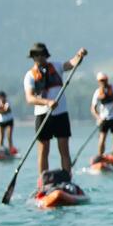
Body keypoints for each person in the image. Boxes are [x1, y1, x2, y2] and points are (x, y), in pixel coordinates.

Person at [22, 42, 87, 179]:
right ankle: (43, 181)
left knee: (64, 149)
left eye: (42, 55)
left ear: (46, 55)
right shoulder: (30, 76)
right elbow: (29, 98)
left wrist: (79, 55)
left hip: (61, 114)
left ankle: (67, 178)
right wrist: (47, 102)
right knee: (43, 150)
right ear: (33, 57)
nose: (40, 58)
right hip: (42, 115)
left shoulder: (57, 66)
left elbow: (72, 63)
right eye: (37, 56)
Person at [89, 72, 113, 166]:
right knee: (102, 138)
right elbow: (93, 108)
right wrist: (98, 118)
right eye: (101, 80)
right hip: (104, 118)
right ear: (98, 81)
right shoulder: (97, 92)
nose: (103, 82)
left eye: (104, 80)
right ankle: (100, 156)